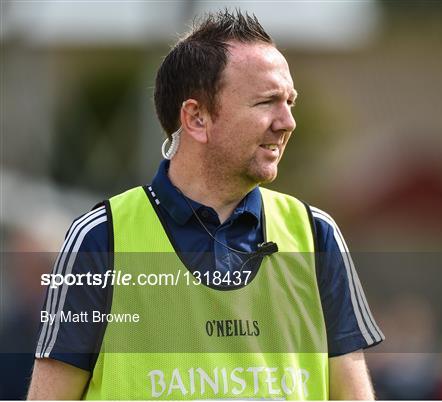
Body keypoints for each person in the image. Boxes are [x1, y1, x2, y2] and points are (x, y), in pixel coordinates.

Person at [28, 10, 383, 400]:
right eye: (267, 102)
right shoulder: (100, 239)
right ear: (196, 118)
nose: (287, 122)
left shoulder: (317, 235)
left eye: (290, 102)